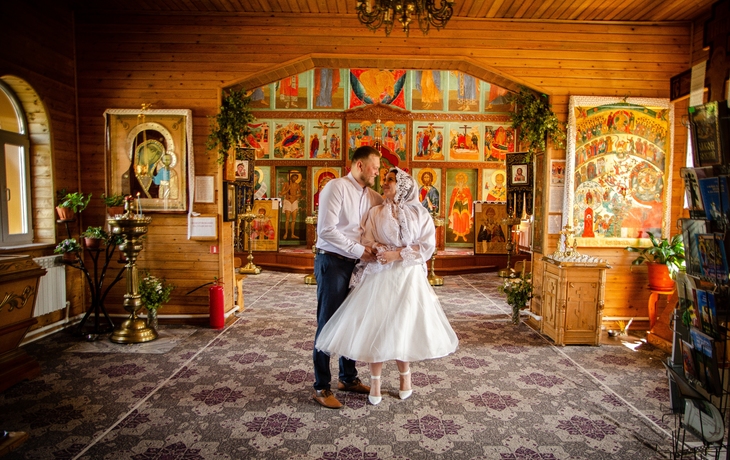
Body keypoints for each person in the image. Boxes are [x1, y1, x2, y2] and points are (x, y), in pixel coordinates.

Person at [316, 168, 458, 405]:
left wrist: (397, 255)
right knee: (377, 326)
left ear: (403, 185)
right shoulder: (375, 211)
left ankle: (405, 379)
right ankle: (374, 383)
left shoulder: (420, 213)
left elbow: (426, 246)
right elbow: (366, 238)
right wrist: (377, 248)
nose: (384, 182)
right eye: (383, 178)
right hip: (380, 275)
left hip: (407, 277)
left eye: (390, 179)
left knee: (403, 325)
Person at [311, 145, 383, 409]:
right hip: (332, 262)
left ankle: (348, 378)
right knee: (328, 322)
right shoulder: (336, 187)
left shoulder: (373, 196)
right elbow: (326, 230)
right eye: (375, 167)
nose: (377, 172)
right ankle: (321, 386)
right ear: (360, 165)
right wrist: (360, 250)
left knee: (352, 320)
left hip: (358, 266)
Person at [280, 171, 302, 239]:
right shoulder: (286, 184)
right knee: (287, 219)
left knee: (293, 219)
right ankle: (286, 233)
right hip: (288, 201)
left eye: (296, 178)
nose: (294, 179)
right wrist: (287, 190)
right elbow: (282, 193)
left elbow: (300, 194)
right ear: (291, 177)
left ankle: (292, 234)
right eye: (293, 177)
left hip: (294, 201)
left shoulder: (297, 185)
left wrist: (294, 196)